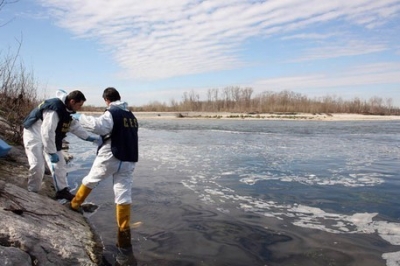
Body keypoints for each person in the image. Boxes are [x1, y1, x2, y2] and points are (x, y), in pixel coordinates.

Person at [69, 87, 138, 265]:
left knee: (91, 180)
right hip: (129, 158)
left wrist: (80, 118)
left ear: (106, 99)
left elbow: (99, 127)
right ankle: (124, 241)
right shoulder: (131, 115)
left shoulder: (112, 112)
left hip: (111, 156)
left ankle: (74, 205)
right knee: (123, 194)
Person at [23, 89, 98, 201]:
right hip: (34, 133)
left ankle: (62, 191)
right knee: (37, 164)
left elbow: (74, 127)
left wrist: (89, 137)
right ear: (72, 101)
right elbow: (47, 131)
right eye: (79, 105)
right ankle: (33, 192)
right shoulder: (54, 109)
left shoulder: (67, 111)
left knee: (60, 164)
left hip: (52, 136)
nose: (80, 108)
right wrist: (51, 152)